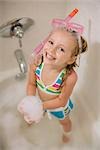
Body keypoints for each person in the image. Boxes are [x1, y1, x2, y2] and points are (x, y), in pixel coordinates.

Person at [18, 10, 88, 143]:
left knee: (65, 122)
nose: (51, 50)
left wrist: (39, 106)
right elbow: (32, 84)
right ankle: (38, 115)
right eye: (50, 42)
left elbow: (61, 100)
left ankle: (67, 134)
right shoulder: (37, 63)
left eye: (61, 49)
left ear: (71, 59)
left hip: (58, 107)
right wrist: (31, 101)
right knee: (37, 111)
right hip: (40, 101)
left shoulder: (69, 77)